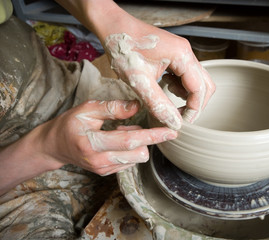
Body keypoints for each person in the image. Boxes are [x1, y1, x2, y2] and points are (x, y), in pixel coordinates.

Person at [0, 0, 215, 239]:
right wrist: (47, 148)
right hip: (14, 169)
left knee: (154, 101)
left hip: (56, 84)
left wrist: (114, 23)